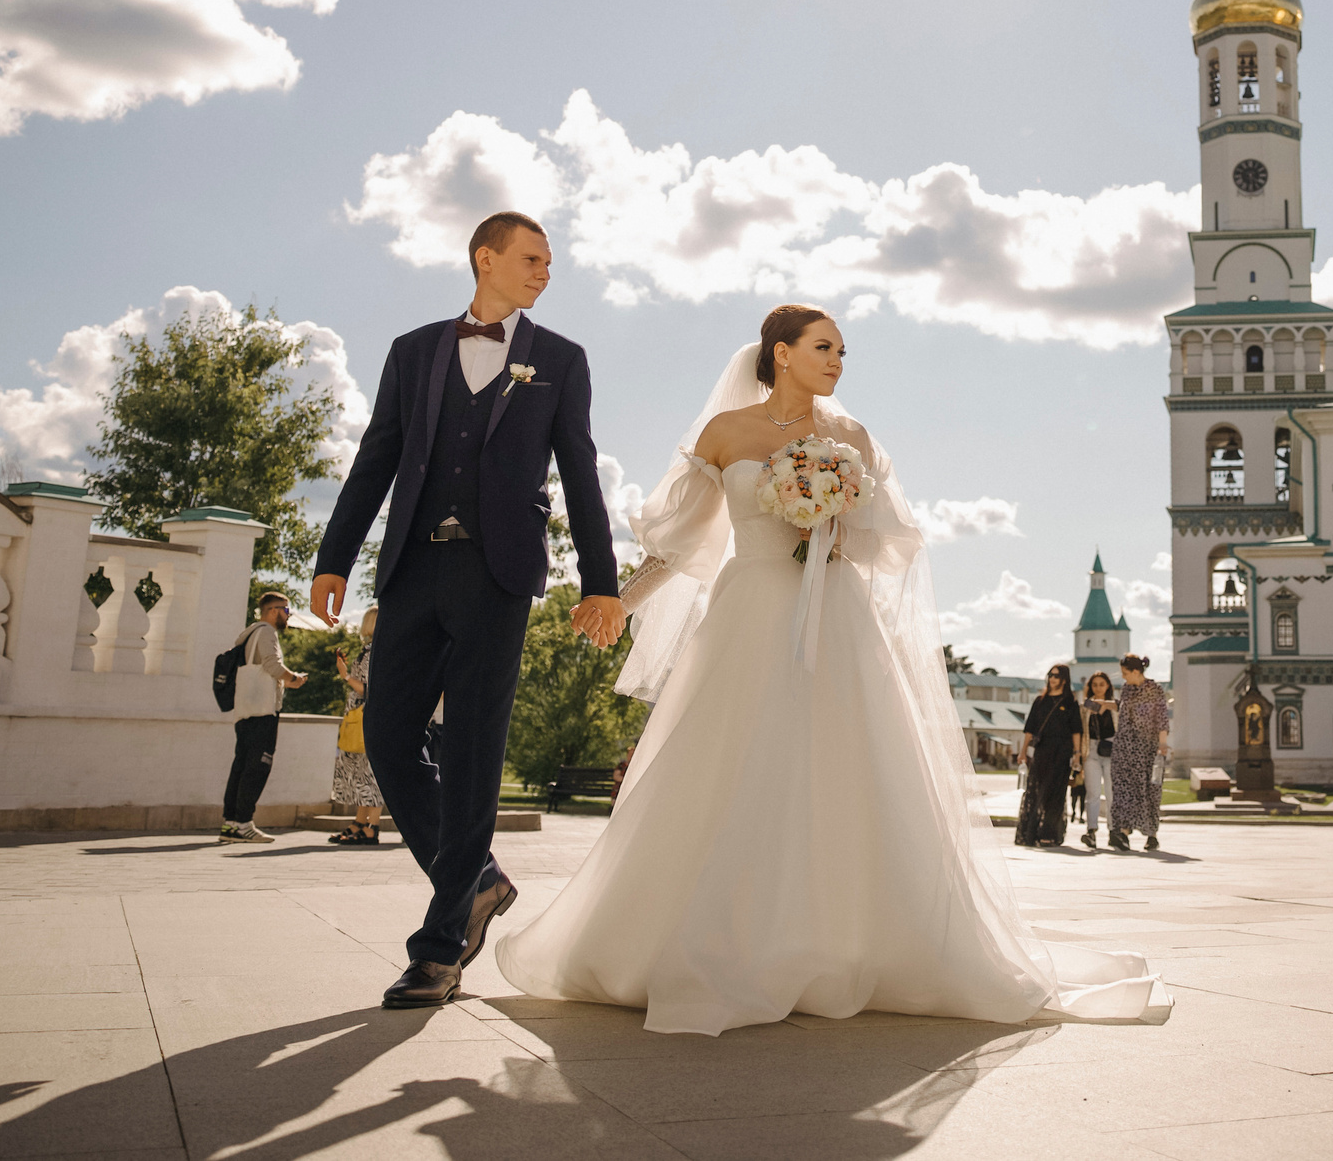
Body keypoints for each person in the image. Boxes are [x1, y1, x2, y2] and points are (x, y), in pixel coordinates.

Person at [495, 306, 1156, 1035]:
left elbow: (894, 542)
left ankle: (843, 939)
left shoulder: (851, 439)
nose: (839, 359)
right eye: (823, 347)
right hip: (747, 615)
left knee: (844, 769)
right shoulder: (725, 435)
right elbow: (683, 545)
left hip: (835, 618)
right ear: (781, 353)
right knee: (725, 766)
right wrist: (619, 601)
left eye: (843, 349)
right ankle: (704, 936)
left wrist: (836, 530)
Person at [310, 211, 622, 1010]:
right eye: (531, 258)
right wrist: (333, 558)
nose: (544, 272)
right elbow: (377, 455)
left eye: (550, 262)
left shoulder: (559, 359)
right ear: (485, 258)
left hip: (500, 573)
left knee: (477, 750)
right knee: (386, 733)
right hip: (413, 566)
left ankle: (440, 948)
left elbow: (580, 470)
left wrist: (601, 578)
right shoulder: (413, 351)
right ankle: (477, 880)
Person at [220, 592, 306, 842]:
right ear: (272, 611)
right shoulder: (267, 632)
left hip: (245, 708)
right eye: (286, 610)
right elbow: (272, 665)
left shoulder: (249, 633)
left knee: (241, 766)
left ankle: (230, 824)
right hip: (263, 710)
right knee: (257, 767)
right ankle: (244, 824)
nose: (287, 615)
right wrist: (294, 679)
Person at [328, 608, 384, 846]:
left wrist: (345, 676)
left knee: (370, 773)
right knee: (361, 774)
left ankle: (371, 826)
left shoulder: (376, 652)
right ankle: (360, 822)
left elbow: (371, 690)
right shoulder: (369, 651)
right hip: (359, 715)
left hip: (367, 715)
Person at [1014, 664, 1082, 848]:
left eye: (1056, 676)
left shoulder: (1070, 702)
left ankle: (1049, 834)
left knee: (1056, 793)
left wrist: (1077, 754)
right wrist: (1022, 751)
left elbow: (1076, 730)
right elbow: (1029, 730)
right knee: (1036, 792)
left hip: (1062, 752)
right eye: (1050, 675)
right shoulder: (1040, 701)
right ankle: (1031, 832)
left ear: (1064, 679)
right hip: (1042, 751)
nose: (1052, 679)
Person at [1109, 655, 1170, 852]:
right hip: (1124, 747)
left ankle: (1151, 834)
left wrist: (1162, 744)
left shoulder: (1155, 690)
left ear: (1136, 672)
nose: (1124, 677)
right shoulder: (1126, 689)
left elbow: (1162, 718)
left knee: (1148, 790)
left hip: (1147, 749)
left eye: (1126, 673)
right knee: (1124, 789)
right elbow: (1123, 711)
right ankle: (1124, 833)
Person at [1078, 671, 1116, 848]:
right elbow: (1081, 730)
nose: (1098, 687)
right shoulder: (1086, 706)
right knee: (1092, 792)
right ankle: (1091, 830)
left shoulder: (1115, 705)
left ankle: (1113, 830)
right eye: (1095, 685)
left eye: (1102, 684)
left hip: (1112, 751)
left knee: (1111, 793)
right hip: (1092, 751)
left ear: (1108, 685)